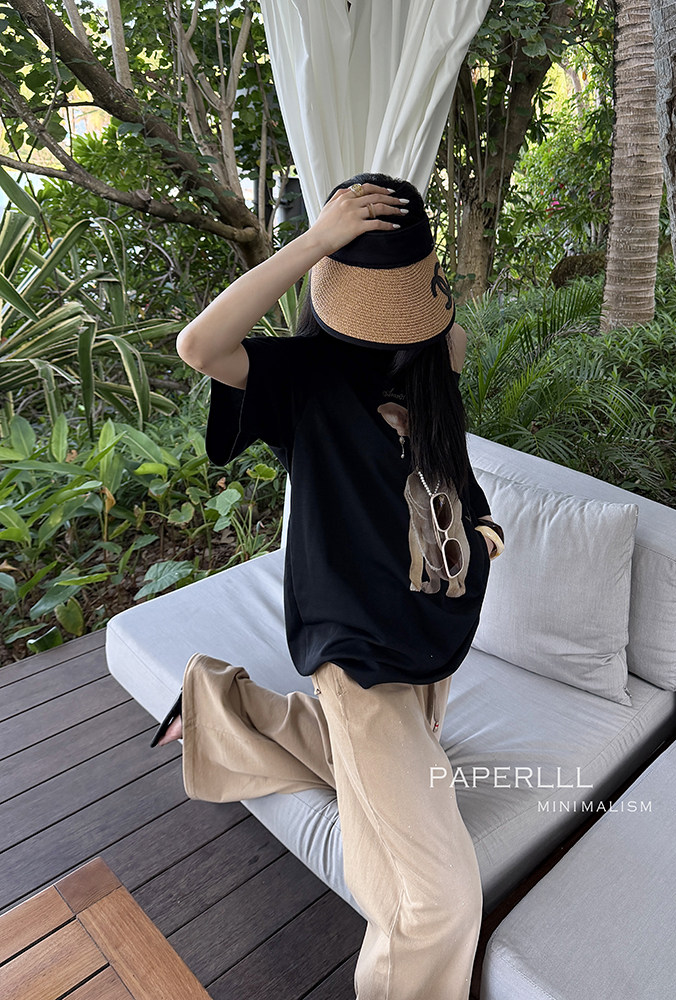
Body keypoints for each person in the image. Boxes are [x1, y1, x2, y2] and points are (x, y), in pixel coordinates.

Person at [151, 172, 504, 1000]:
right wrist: (313, 242)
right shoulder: (301, 377)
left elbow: (447, 466)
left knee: (383, 776)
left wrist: (483, 531)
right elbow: (199, 346)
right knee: (435, 903)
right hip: (355, 650)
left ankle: (218, 705)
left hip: (433, 639)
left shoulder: (436, 353)